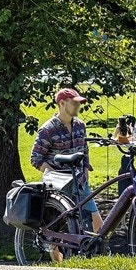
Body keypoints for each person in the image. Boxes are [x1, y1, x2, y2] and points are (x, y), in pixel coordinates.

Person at [29, 88, 103, 246]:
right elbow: (36, 158)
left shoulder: (80, 126)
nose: (78, 106)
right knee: (56, 231)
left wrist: (85, 170)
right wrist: (53, 175)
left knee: (98, 223)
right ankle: (58, 265)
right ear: (62, 103)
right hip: (59, 187)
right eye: (74, 103)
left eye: (79, 103)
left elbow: (84, 150)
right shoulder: (48, 129)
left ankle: (98, 251)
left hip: (80, 183)